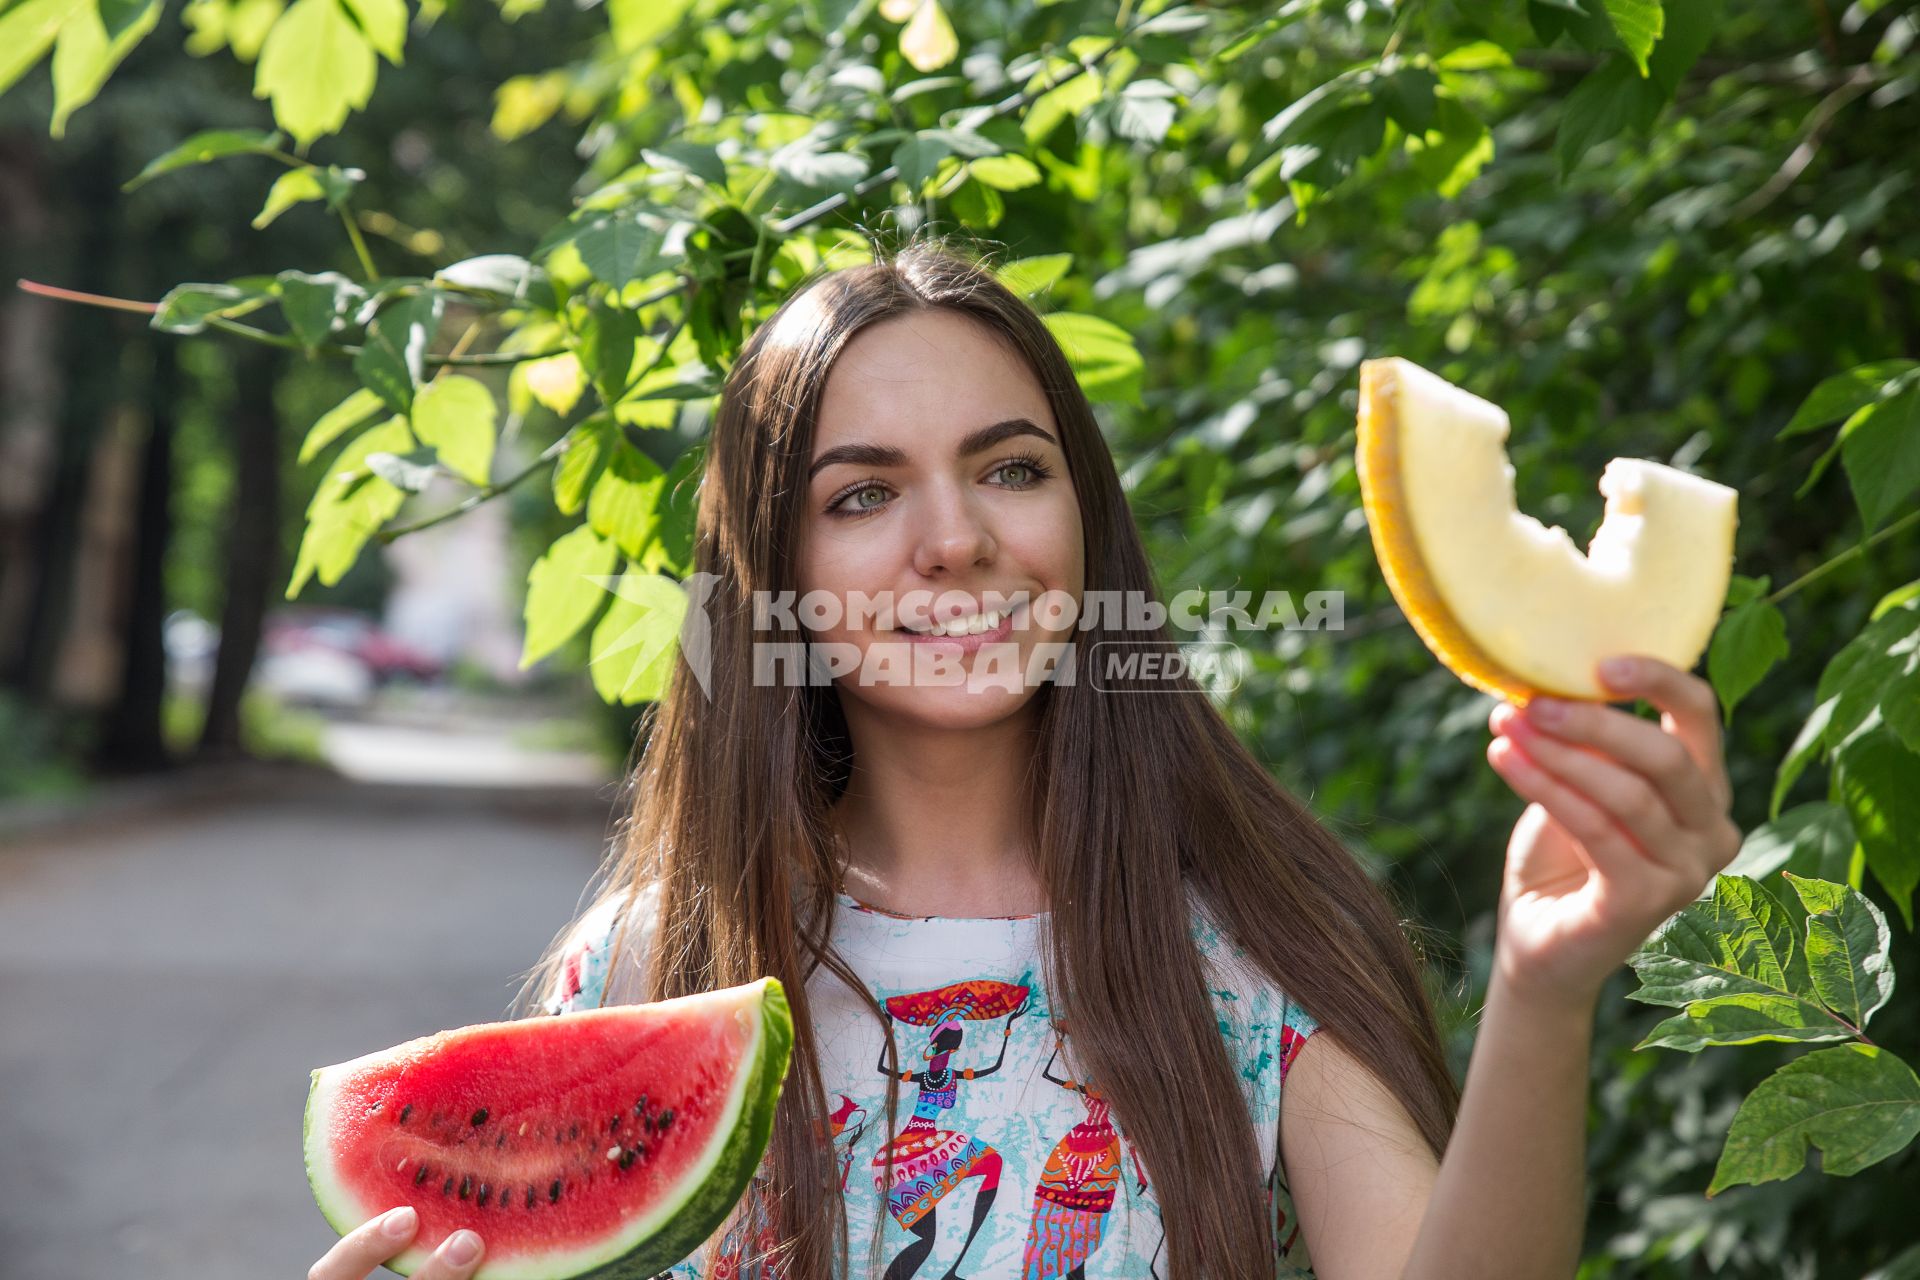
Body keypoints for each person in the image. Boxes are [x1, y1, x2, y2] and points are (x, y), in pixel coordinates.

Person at [305, 237, 1741, 1280]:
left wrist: (1547, 991)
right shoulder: (637, 973)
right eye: (863, 493)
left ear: (1084, 520)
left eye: (1010, 468)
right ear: (773, 578)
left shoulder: (1248, 960)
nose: (958, 539)